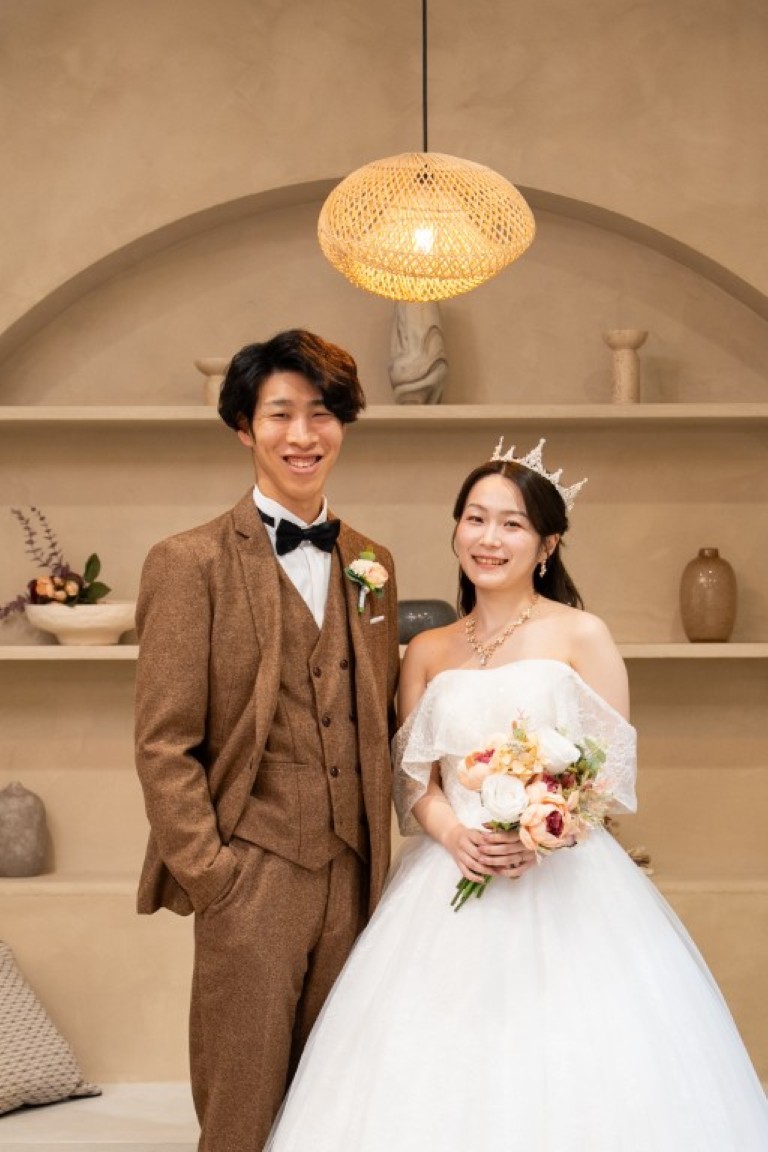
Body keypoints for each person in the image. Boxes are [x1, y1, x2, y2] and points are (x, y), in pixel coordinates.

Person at [265, 437, 768, 1151]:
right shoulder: (428, 650)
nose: (489, 539)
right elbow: (413, 782)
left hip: (564, 881)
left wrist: (547, 827)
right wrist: (453, 833)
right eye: (475, 519)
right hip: (449, 874)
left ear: (547, 544)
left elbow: (610, 775)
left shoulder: (581, 635)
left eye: (511, 524)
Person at [133, 329, 399, 1152]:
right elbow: (163, 743)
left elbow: (382, 717)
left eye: (322, 413)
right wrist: (214, 876)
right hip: (251, 873)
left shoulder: (373, 562)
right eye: (280, 413)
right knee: (240, 1110)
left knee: (339, 1105)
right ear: (244, 428)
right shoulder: (189, 562)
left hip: (354, 874)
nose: (303, 435)